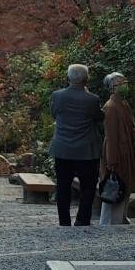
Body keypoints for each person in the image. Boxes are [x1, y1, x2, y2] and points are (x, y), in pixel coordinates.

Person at [49, 63, 105, 226]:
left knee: (63, 185)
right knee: (88, 186)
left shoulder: (57, 96)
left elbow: (54, 113)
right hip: (86, 150)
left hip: (63, 148)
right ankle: (82, 220)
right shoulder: (92, 99)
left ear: (68, 77)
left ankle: (64, 221)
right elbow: (100, 117)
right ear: (86, 79)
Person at [99, 72, 135, 226]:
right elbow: (110, 137)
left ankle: (121, 217)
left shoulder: (123, 103)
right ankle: (109, 222)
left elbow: (132, 126)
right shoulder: (110, 107)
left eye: (125, 81)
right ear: (113, 88)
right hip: (116, 153)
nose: (125, 85)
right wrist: (111, 161)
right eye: (121, 83)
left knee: (125, 186)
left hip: (126, 152)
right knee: (113, 187)